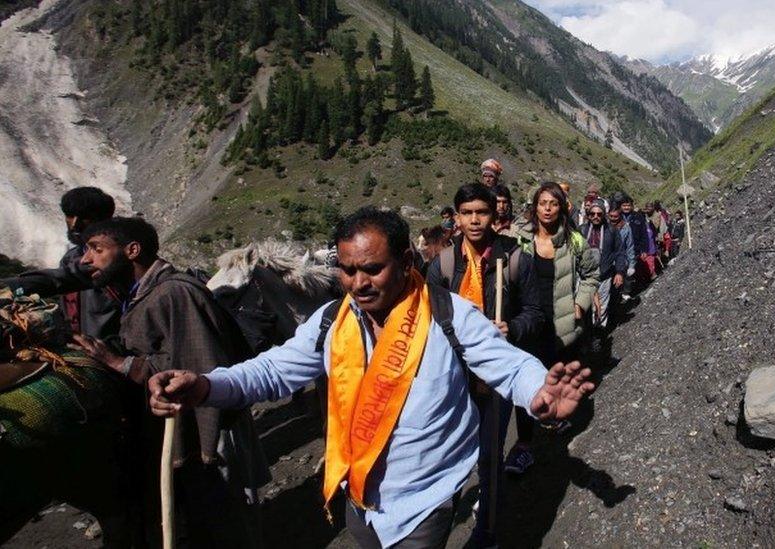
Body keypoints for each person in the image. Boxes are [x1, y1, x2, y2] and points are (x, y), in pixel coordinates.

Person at [146, 208, 594, 549]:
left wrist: (540, 394)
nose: (358, 283)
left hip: (424, 500)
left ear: (404, 260)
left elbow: (509, 365)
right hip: (357, 495)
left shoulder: (449, 315)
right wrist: (204, 386)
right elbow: (273, 371)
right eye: (347, 269)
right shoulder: (331, 322)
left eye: (372, 269)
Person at [70, 217, 269, 548]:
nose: (85, 259)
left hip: (208, 431)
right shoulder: (145, 294)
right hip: (186, 427)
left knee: (227, 527)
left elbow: (200, 368)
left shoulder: (174, 293)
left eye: (97, 249)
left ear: (132, 250)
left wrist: (119, 363)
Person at [426, 184, 543, 546]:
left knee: (490, 456)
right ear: (457, 217)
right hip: (451, 377)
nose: (475, 220)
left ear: (495, 215)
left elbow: (536, 313)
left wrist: (513, 327)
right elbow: (424, 318)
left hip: (493, 375)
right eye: (467, 212)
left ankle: (487, 532)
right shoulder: (443, 265)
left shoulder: (516, 259)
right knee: (445, 453)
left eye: (482, 212)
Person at [508, 182, 599, 474]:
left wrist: (580, 304)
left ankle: (553, 417)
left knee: (552, 375)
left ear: (562, 207)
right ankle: (523, 447)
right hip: (527, 321)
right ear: (534, 206)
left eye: (553, 204)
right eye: (542, 203)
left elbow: (591, 274)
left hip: (560, 322)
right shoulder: (519, 238)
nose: (547, 209)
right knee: (526, 382)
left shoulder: (573, 241)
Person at [1, 187, 119, 343]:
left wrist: (8, 286)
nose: (74, 225)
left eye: (85, 217)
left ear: (105, 219)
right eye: (70, 215)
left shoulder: (117, 257)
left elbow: (62, 278)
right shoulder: (71, 258)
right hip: (81, 347)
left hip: (115, 354)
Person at [580, 202, 626, 330]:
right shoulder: (581, 230)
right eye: (592, 214)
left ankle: (598, 334)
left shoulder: (612, 231)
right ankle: (585, 335)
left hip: (604, 276)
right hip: (584, 277)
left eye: (599, 214)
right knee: (585, 307)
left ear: (603, 215)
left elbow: (620, 252)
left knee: (602, 305)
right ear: (588, 215)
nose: (596, 216)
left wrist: (620, 272)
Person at [607, 202, 636, 302]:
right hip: (607, 262)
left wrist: (632, 264)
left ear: (620, 216)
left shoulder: (626, 228)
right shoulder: (604, 227)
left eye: (615, 216)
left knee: (618, 286)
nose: (613, 219)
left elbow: (630, 246)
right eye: (611, 216)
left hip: (621, 261)